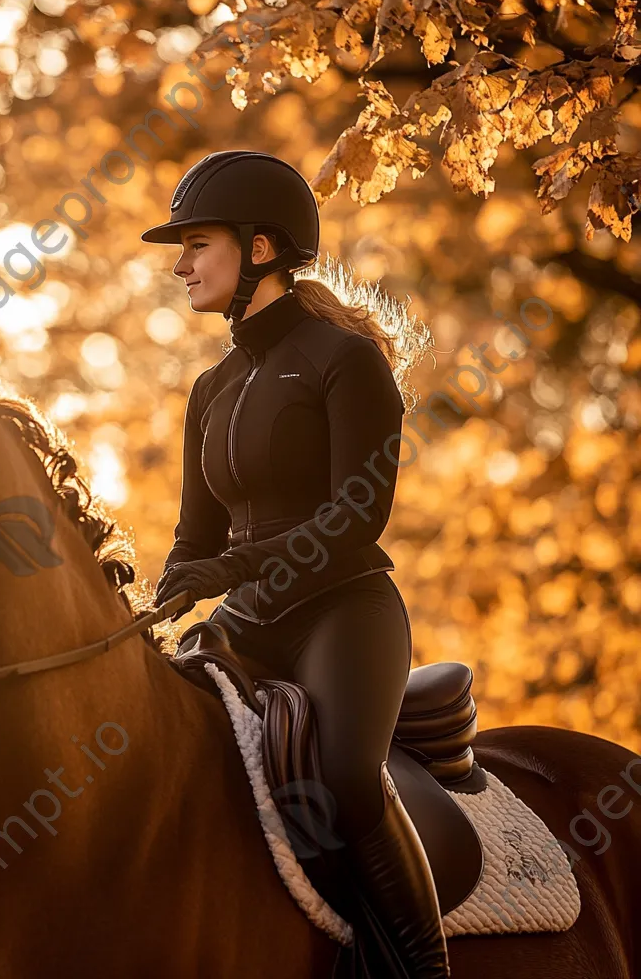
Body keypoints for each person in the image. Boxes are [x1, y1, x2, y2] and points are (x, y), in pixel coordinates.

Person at [145, 150, 449, 979]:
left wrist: (226, 574)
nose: (180, 265)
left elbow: (357, 516)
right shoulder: (210, 388)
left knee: (348, 781)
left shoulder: (344, 359)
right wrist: (169, 587)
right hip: (244, 623)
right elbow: (194, 535)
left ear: (262, 250)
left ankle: (425, 969)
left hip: (342, 613)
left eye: (197, 244)